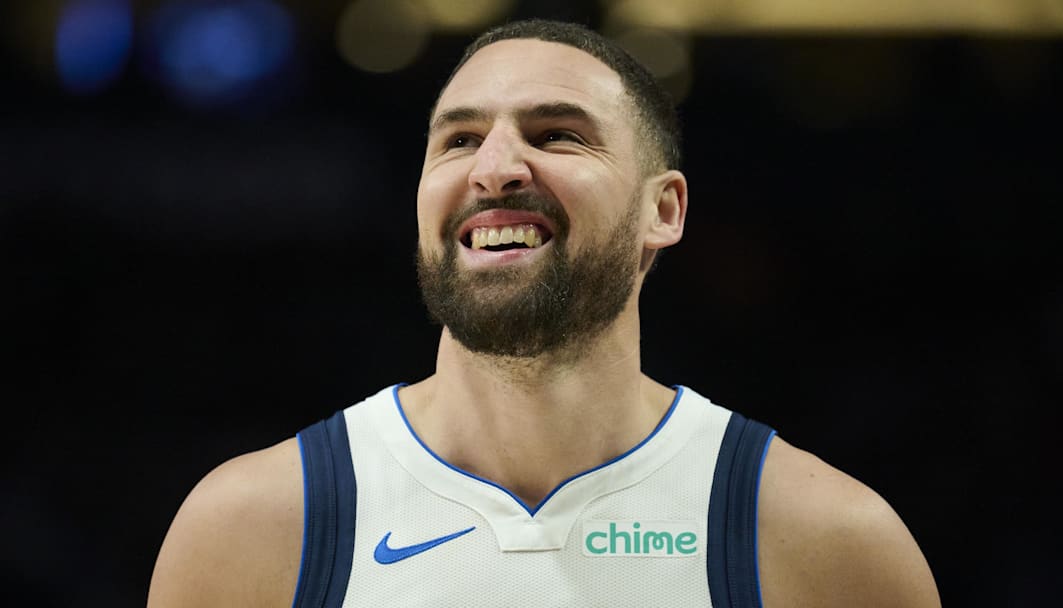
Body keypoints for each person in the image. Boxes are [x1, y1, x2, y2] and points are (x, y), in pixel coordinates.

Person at [148, 19, 940, 607]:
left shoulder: (825, 542)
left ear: (663, 210)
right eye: (459, 140)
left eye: (556, 134)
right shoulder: (254, 530)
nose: (494, 168)